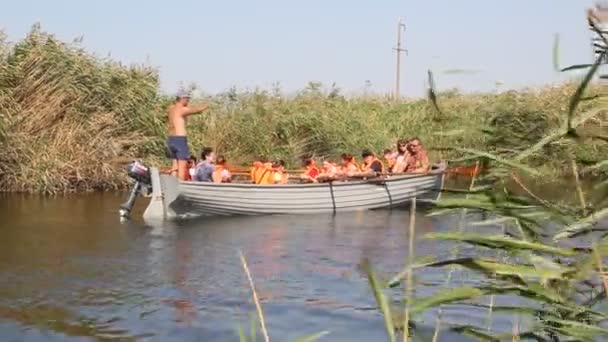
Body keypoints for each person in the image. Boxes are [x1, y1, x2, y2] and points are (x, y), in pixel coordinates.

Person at [167, 90, 210, 180]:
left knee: (175, 166)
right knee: (182, 165)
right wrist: (206, 106)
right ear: (181, 99)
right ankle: (180, 185)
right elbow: (195, 110)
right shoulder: (181, 109)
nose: (188, 101)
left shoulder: (171, 109)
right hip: (180, 140)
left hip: (171, 140)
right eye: (187, 99)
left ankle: (171, 187)